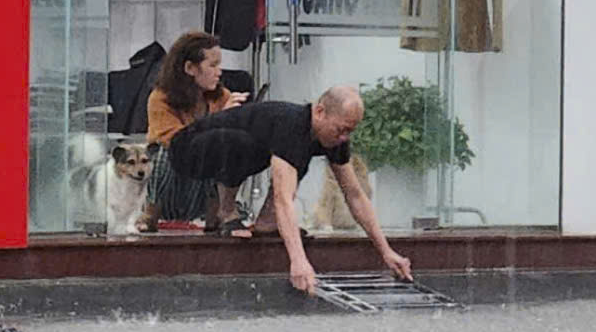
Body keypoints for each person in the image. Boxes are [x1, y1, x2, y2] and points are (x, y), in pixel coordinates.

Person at [166, 87, 415, 295]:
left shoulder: (333, 138)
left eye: (350, 131)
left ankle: (266, 222)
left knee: (293, 159)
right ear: (320, 112)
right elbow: (284, 199)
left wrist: (386, 251)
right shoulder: (291, 124)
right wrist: (298, 260)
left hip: (223, 149)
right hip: (186, 148)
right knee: (253, 148)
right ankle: (227, 212)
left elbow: (355, 195)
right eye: (341, 129)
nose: (343, 138)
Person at [142, 31, 237, 230]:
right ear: (190, 68)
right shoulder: (160, 98)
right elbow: (177, 142)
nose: (219, 72)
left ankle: (218, 216)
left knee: (228, 148)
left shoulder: (222, 97)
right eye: (213, 65)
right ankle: (149, 215)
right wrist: (220, 120)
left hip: (201, 192)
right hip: (169, 189)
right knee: (164, 153)